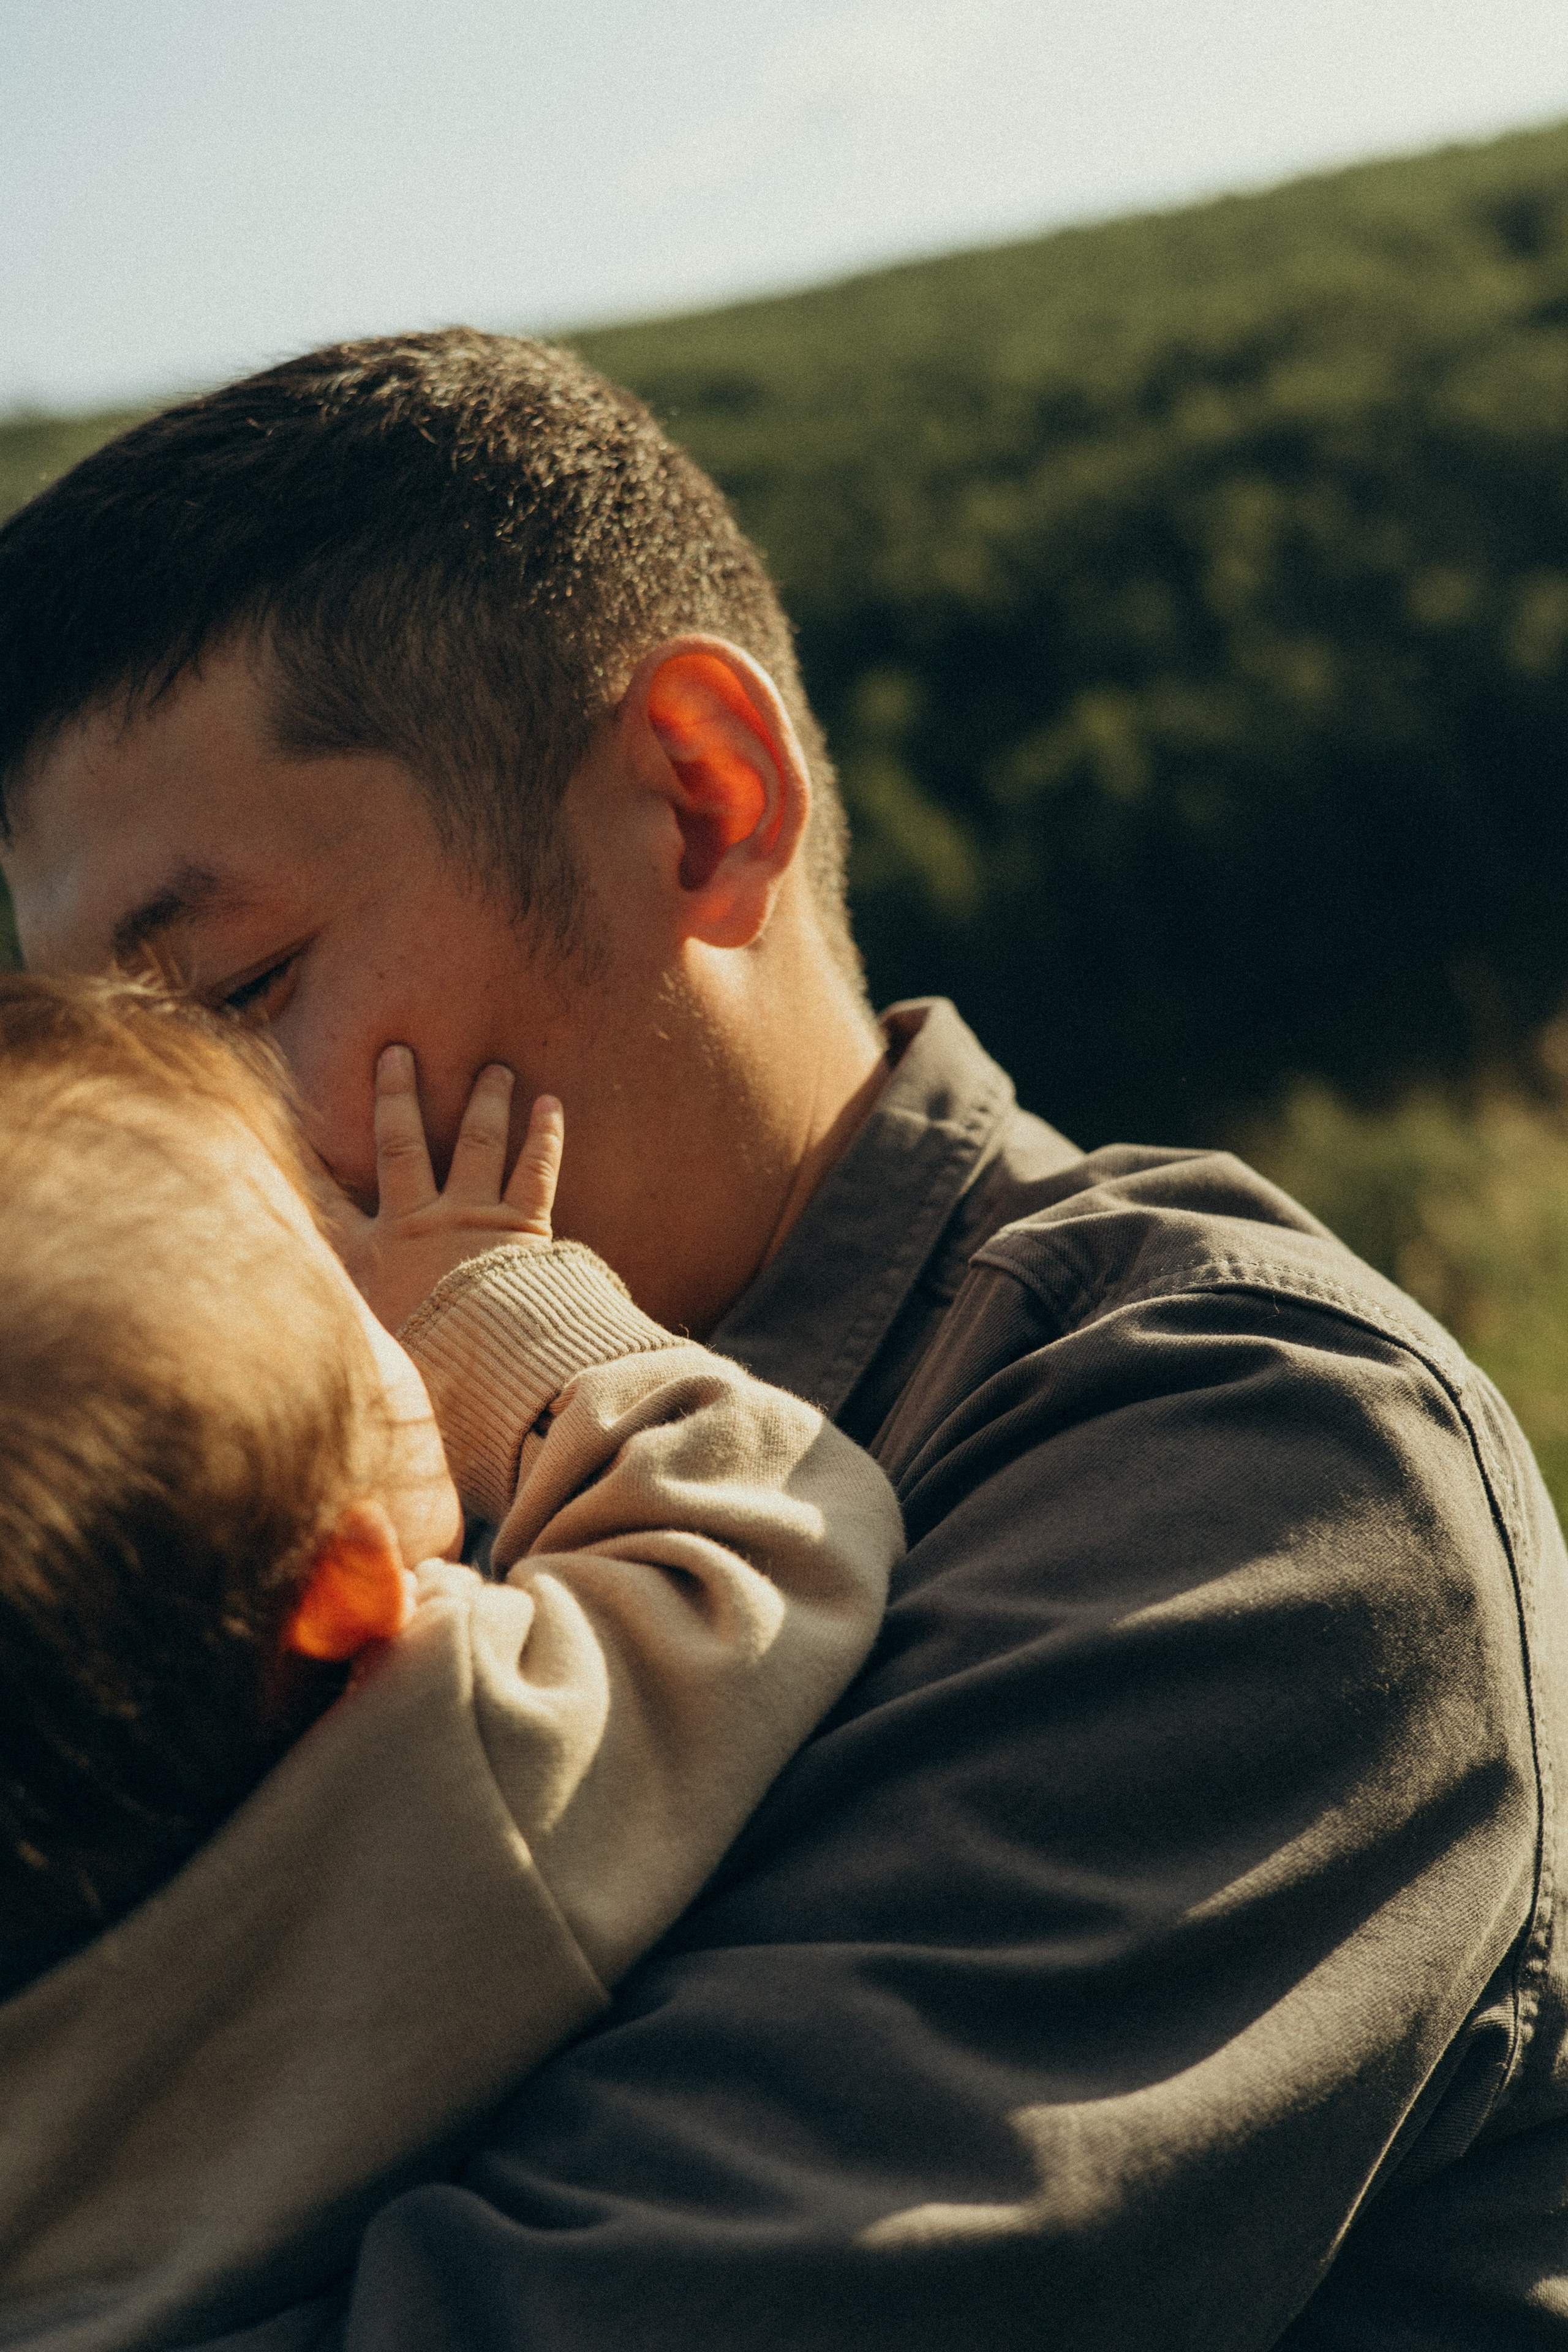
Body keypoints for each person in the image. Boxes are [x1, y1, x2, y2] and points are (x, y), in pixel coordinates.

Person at [0, 328, 1564, 2349]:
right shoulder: (298, 1525)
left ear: (699, 802)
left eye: (236, 991)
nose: (191, 1158)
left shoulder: (1244, 1471)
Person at [0, 971, 898, 2350]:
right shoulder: (464, 1752)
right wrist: (490, 1305)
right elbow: (771, 1535)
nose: (379, 1270)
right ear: (347, 1588)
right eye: (353, 1306)